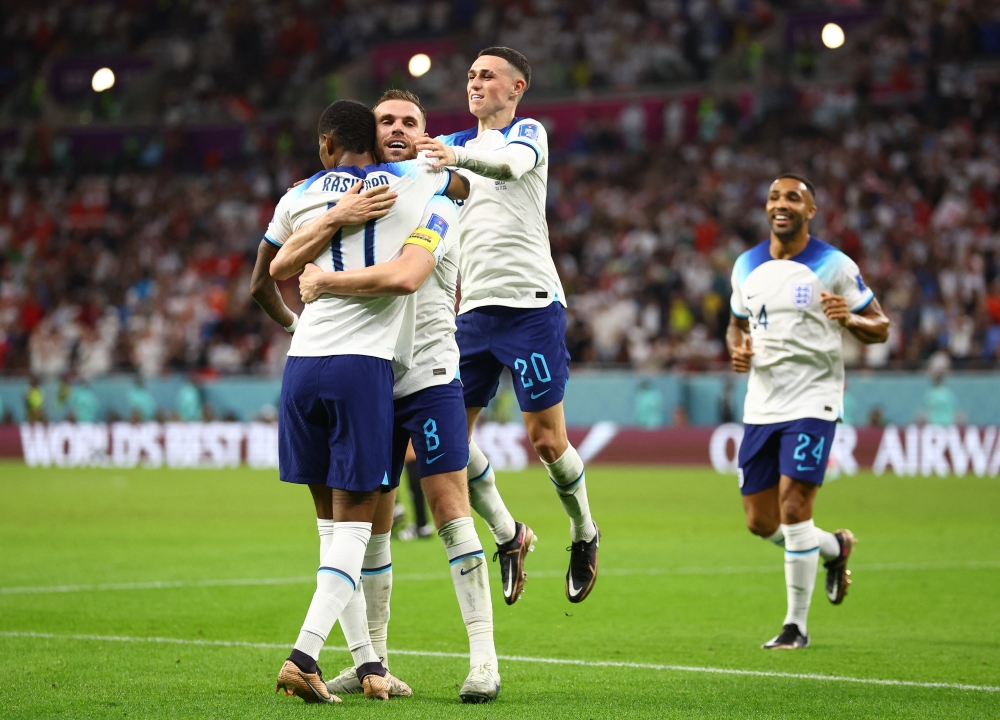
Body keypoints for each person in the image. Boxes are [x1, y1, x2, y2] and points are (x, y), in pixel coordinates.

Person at [289, 89, 500, 703]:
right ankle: (370, 662)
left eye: (413, 121)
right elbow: (280, 258)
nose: (400, 129)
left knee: (447, 506)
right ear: (370, 134)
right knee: (370, 525)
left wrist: (453, 171)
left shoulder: (434, 191)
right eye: (388, 122)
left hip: (429, 374)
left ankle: (483, 658)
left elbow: (413, 263)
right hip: (372, 375)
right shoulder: (356, 198)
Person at [248, 99, 461, 704]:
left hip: (301, 368)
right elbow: (465, 182)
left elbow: (269, 276)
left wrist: (295, 318)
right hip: (361, 368)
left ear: (324, 145)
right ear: (378, 138)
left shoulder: (299, 198)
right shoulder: (413, 182)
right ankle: (304, 654)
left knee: (328, 530)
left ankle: (369, 665)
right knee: (361, 525)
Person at [416, 47, 600, 606]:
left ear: (516, 87)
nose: (475, 83)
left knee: (547, 440)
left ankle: (584, 532)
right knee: (449, 442)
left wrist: (452, 157)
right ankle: (508, 533)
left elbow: (508, 168)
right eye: (470, 74)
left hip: (531, 306)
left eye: (487, 76)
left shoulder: (527, 133)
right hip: (471, 315)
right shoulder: (453, 144)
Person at [726, 174, 890, 650]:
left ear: (810, 211)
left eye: (793, 198)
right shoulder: (745, 266)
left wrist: (850, 317)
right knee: (760, 521)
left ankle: (795, 625)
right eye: (775, 197)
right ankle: (835, 548)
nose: (782, 204)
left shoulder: (833, 264)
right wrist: (739, 350)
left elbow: (879, 324)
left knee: (795, 506)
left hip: (814, 399)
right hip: (762, 403)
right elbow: (736, 327)